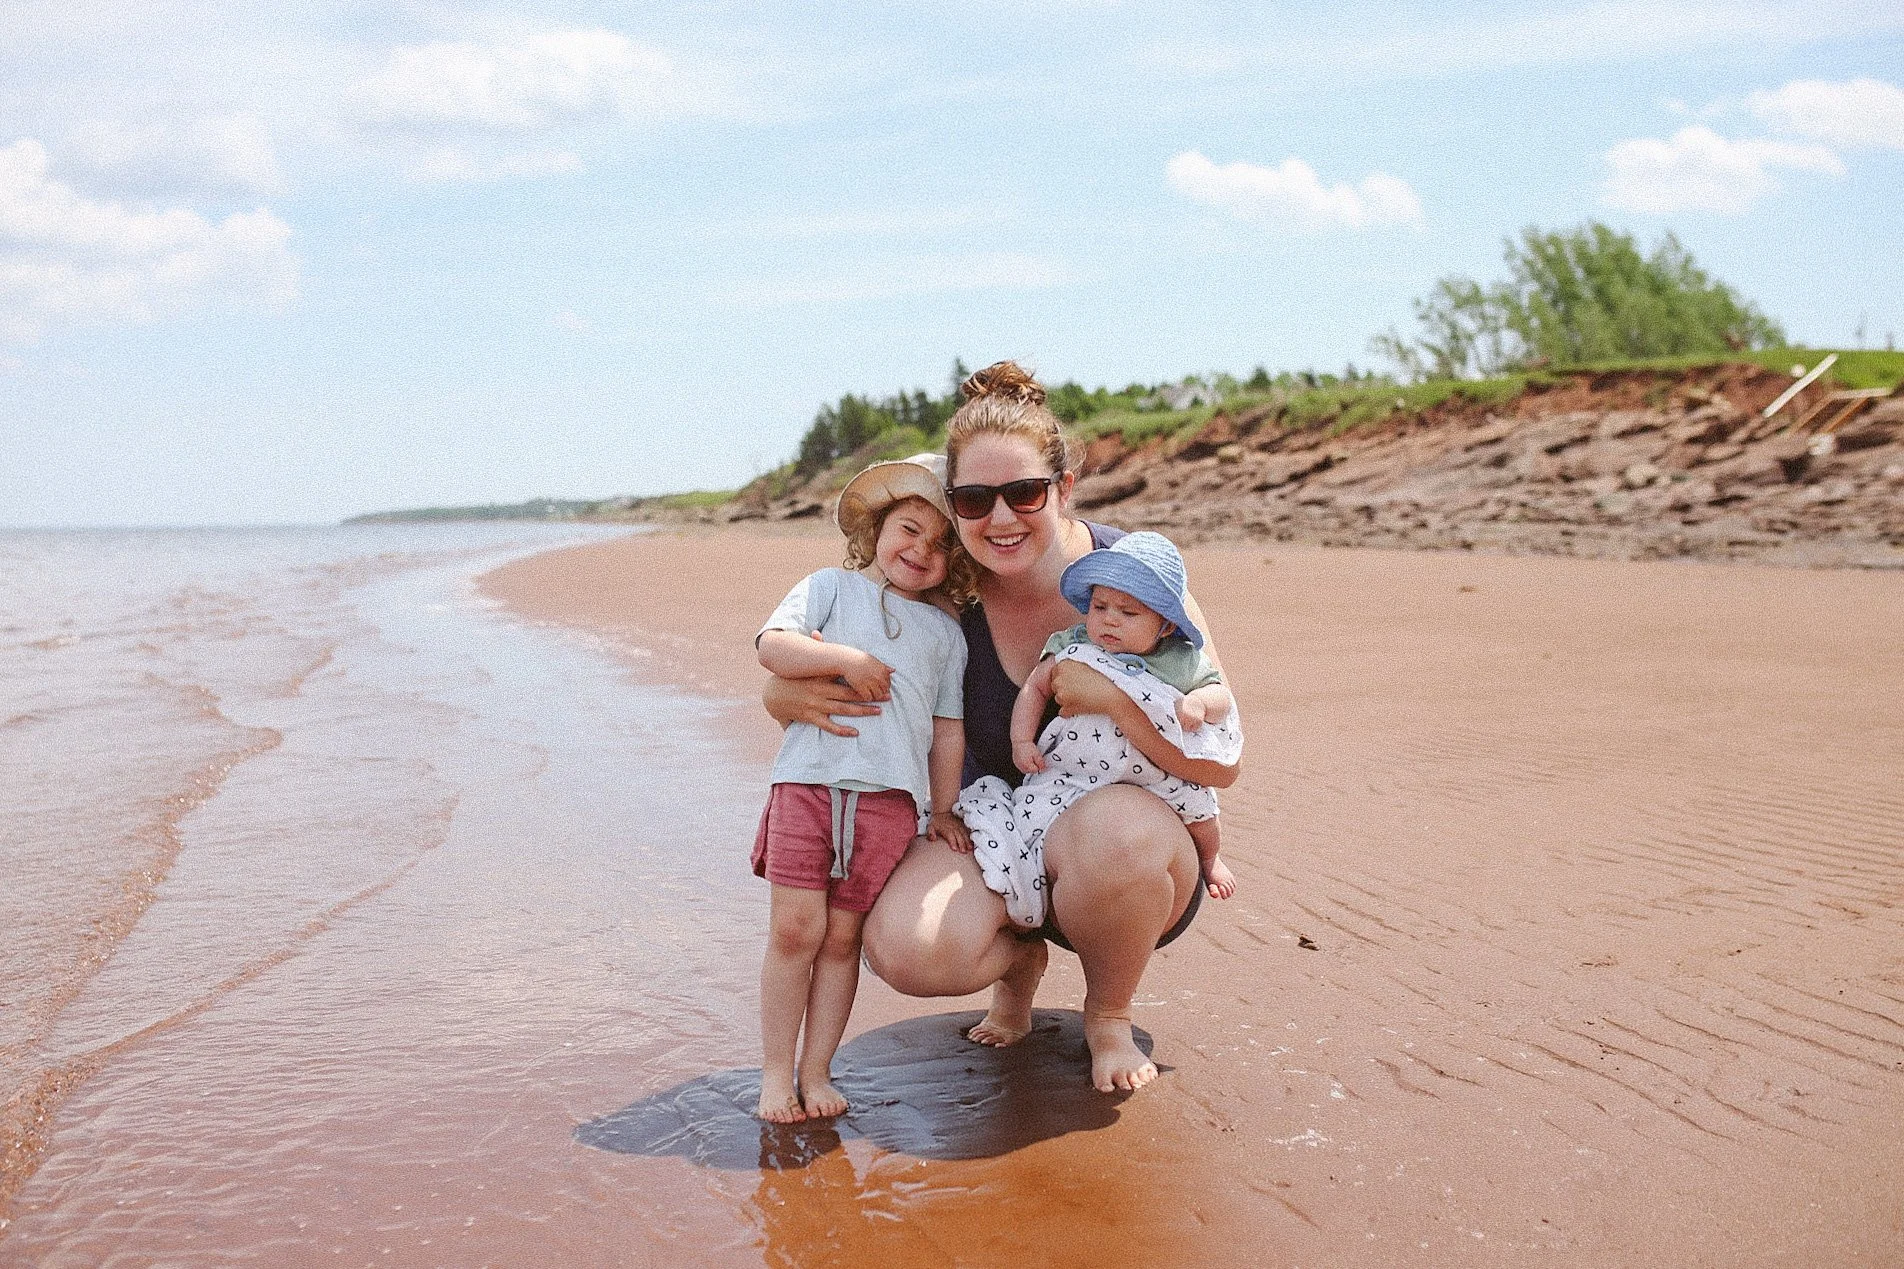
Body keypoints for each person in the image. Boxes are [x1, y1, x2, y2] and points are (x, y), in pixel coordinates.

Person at [763, 363, 1240, 1094]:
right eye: (975, 499)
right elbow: (848, 654)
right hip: (996, 836)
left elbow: (1222, 761)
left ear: (1064, 488)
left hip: (1127, 858)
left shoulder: (1137, 587)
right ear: (953, 508)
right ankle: (1019, 962)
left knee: (1119, 838)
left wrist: (1115, 703)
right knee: (905, 948)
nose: (1002, 517)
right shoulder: (944, 601)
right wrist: (781, 693)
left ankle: (1108, 1014)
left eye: (1024, 492)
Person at [750, 455, 976, 1122]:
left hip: (888, 805)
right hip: (807, 787)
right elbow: (773, 647)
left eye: (940, 545)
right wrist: (845, 659)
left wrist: (942, 809)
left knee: (843, 939)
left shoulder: (946, 632)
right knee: (795, 930)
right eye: (908, 528)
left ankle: (817, 1071)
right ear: (876, 528)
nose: (920, 550)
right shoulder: (829, 587)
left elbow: (949, 730)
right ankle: (773, 1073)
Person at [958, 530, 1239, 934]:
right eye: (1100, 606)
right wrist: (1021, 740)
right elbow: (1036, 688)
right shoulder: (1073, 643)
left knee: (1200, 811)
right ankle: (1033, 902)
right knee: (1034, 816)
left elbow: (1220, 696)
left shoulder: (1178, 660)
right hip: (1076, 769)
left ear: (1162, 628)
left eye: (1129, 613)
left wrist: (1199, 704)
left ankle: (1210, 859)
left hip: (1157, 776)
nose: (1109, 619)